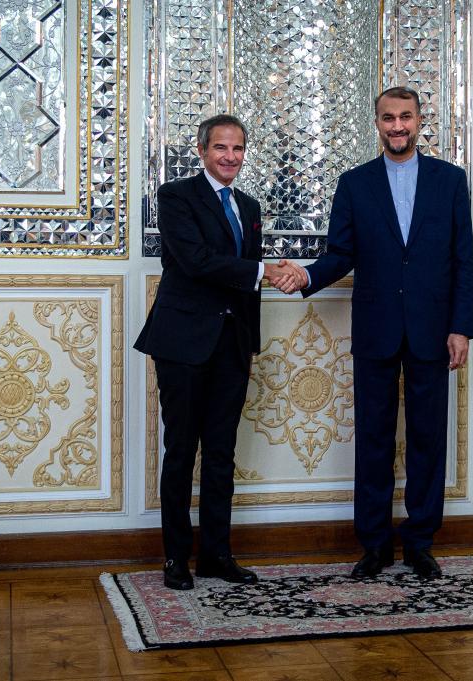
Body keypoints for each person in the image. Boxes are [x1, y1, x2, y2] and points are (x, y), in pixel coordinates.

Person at [273, 87, 473, 579]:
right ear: (377, 123)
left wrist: (460, 328)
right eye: (388, 118)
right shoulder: (355, 183)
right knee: (373, 439)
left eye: (405, 116)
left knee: (428, 438)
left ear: (420, 120)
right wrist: (305, 276)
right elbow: (341, 254)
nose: (397, 126)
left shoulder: (450, 181)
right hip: (375, 329)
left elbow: (462, 259)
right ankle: (375, 544)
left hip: (433, 330)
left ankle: (420, 542)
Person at [135, 114, 297, 590]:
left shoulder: (248, 205)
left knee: (222, 453)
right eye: (221, 148)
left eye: (238, 148)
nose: (230, 156)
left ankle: (216, 555)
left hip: (232, 344)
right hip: (183, 342)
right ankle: (176, 558)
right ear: (202, 150)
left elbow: (244, 276)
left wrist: (251, 334)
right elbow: (196, 261)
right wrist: (264, 271)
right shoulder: (175, 196)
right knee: (181, 451)